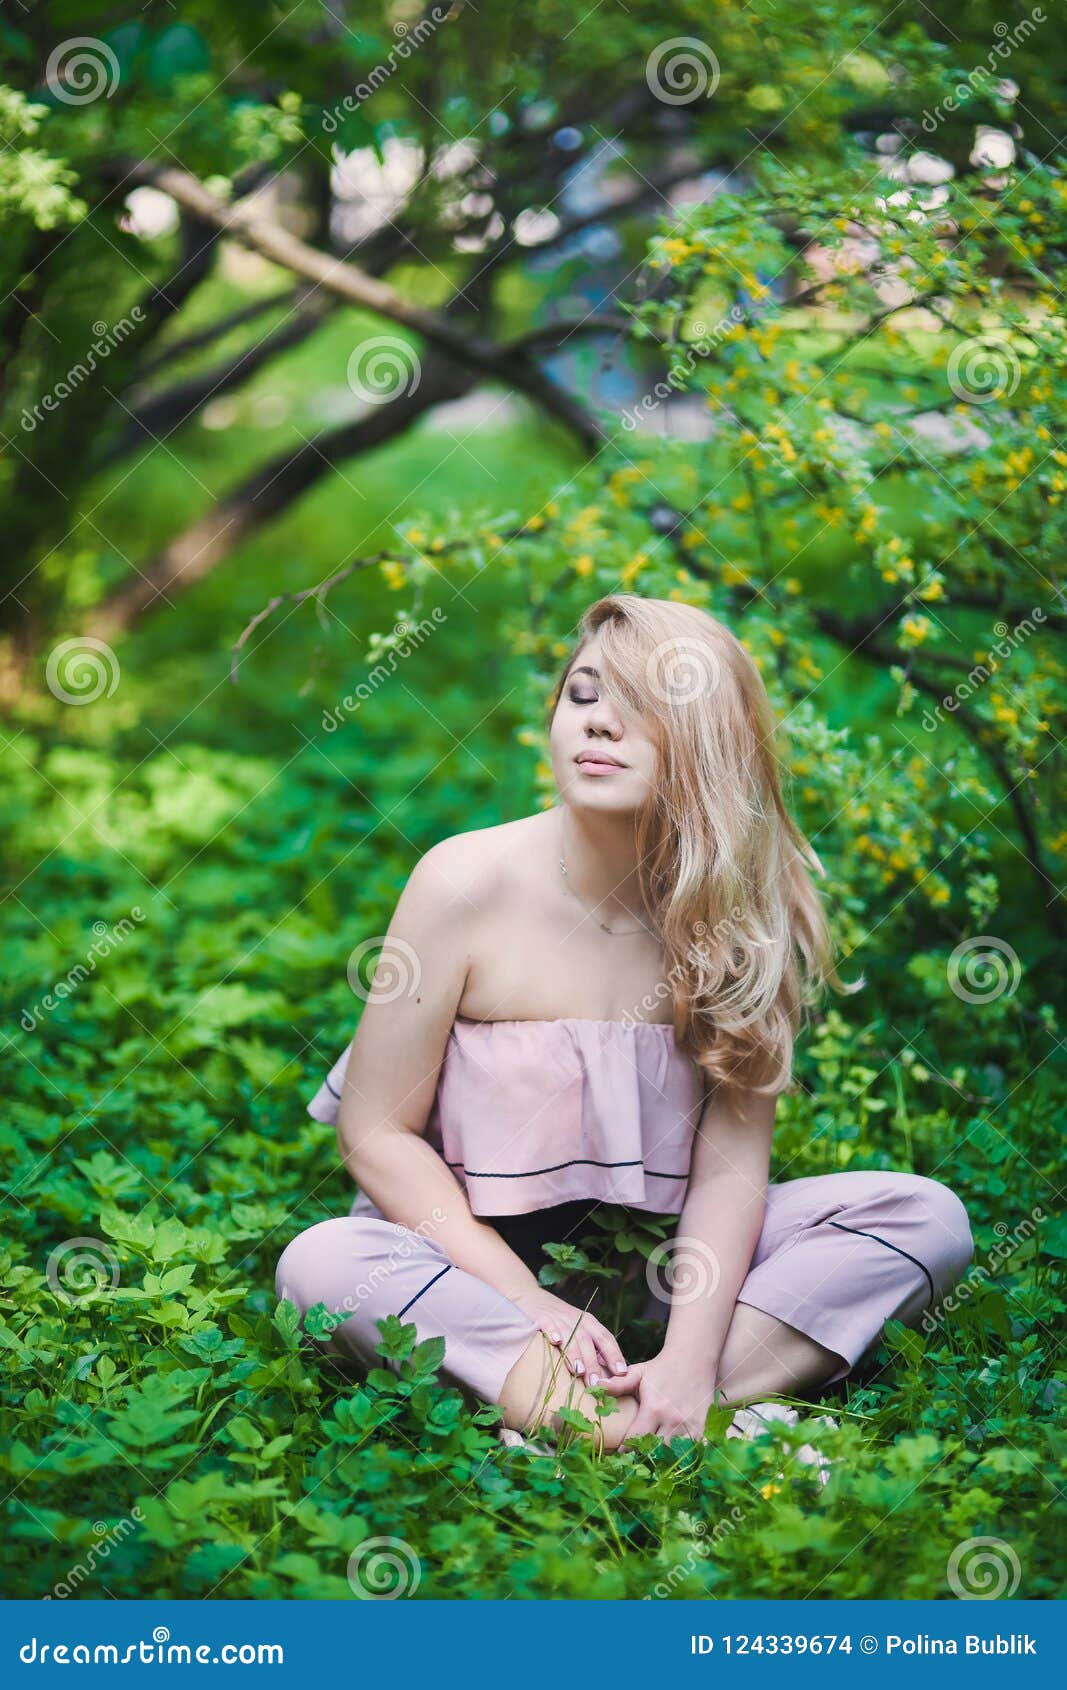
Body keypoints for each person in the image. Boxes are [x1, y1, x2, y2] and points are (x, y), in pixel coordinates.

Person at [276, 593, 975, 1453]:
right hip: (467, 1269)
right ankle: (641, 1427)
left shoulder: (738, 909)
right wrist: (529, 1302)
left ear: (710, 740)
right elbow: (377, 1134)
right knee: (321, 1262)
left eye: (641, 705)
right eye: (583, 694)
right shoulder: (464, 881)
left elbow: (728, 1173)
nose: (599, 723)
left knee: (925, 1217)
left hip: (656, 1270)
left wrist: (686, 1351)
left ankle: (673, 1400)